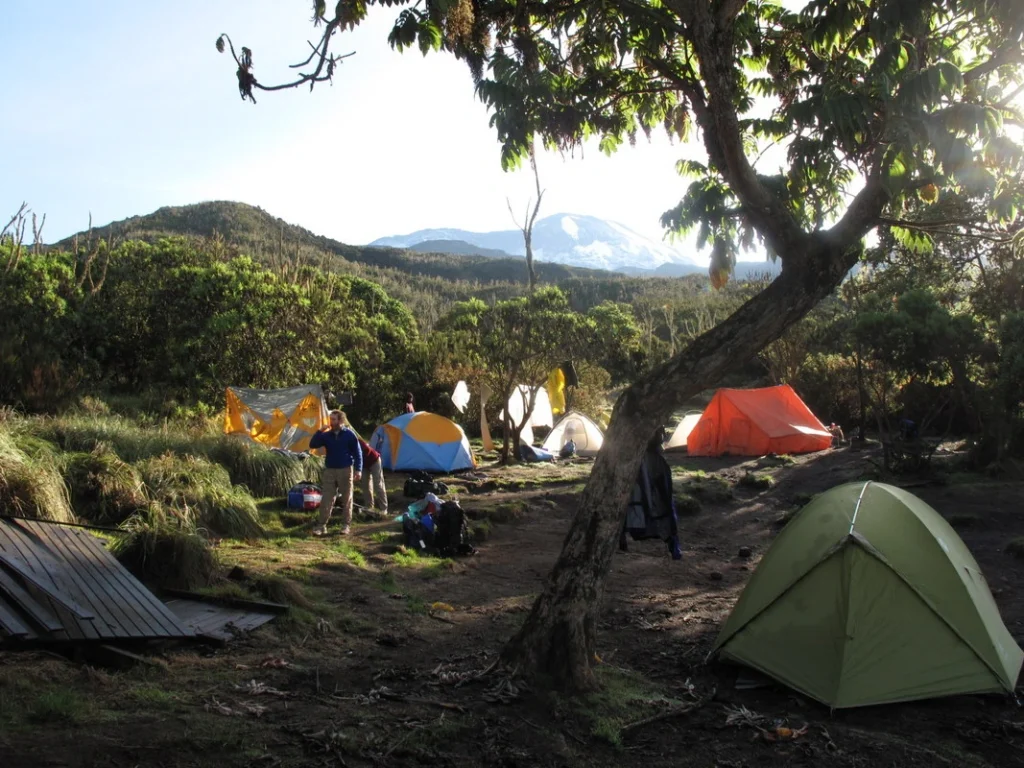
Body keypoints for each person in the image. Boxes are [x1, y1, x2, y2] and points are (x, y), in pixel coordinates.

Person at [308, 410, 362, 536]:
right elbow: (313, 444)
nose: (331, 422)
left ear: (341, 421)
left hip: (345, 469)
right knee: (327, 498)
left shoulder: (349, 435)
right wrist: (320, 431)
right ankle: (321, 526)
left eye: (334, 419)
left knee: (346, 498)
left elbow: (358, 453)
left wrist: (358, 469)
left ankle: (345, 525)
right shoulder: (327, 435)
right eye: (330, 419)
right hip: (330, 470)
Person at [356, 435, 388, 517]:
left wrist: (356, 457)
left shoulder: (358, 441)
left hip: (374, 460)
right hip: (363, 465)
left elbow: (367, 451)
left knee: (378, 484)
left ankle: (384, 508)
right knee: (365, 486)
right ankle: (369, 507)